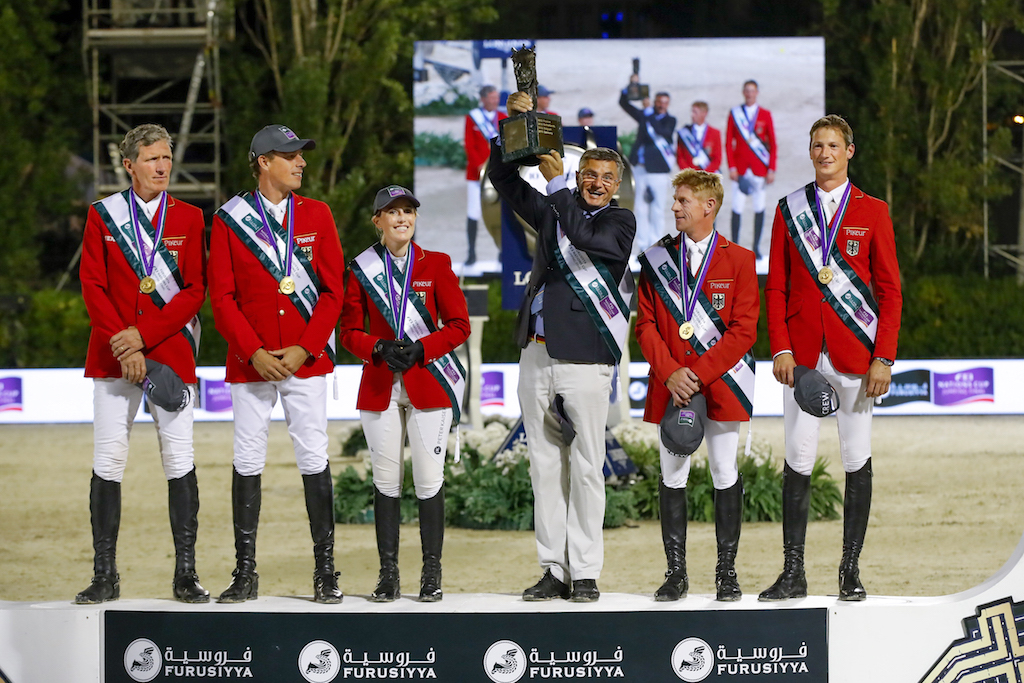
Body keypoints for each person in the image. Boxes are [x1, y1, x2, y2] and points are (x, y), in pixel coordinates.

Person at [488, 90, 636, 603]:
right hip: (536, 351)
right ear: (579, 178)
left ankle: (587, 571)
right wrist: (515, 130)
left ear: (615, 187)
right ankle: (553, 568)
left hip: (585, 359)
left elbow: (582, 232)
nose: (596, 183)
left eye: (605, 179)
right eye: (588, 176)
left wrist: (555, 187)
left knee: (589, 467)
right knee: (544, 467)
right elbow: (503, 181)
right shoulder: (555, 208)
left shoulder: (620, 224)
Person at [761, 114, 902, 602]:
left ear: (850, 151)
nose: (824, 153)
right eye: (817, 145)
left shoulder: (874, 211)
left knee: (855, 458)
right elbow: (775, 285)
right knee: (797, 460)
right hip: (800, 358)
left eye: (833, 145)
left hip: (857, 357)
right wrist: (779, 347)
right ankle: (793, 573)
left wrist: (883, 356)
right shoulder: (788, 209)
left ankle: (850, 571)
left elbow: (889, 291)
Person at [208, 124, 346, 604]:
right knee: (247, 460)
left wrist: (305, 347)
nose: (301, 163)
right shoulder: (229, 219)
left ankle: (325, 572)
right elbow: (221, 298)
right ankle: (244, 573)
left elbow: (334, 292)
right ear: (264, 162)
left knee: (314, 458)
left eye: (301, 154)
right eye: (291, 155)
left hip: (304, 360)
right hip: (253, 363)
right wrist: (255, 352)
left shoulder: (319, 214)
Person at [77, 124, 208, 604]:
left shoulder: (190, 217)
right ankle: (104, 575)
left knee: (179, 460)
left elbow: (195, 289)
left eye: (167, 158)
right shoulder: (102, 216)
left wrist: (145, 337)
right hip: (114, 357)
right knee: (108, 461)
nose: (162, 166)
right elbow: (92, 284)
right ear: (129, 165)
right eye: (152, 159)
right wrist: (126, 346)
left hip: (168, 354)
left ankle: (186, 575)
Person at [340, 185, 470, 603]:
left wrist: (423, 347)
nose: (402, 218)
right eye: (392, 212)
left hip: (427, 381)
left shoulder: (437, 264)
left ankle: (431, 573)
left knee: (429, 481)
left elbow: (459, 325)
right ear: (377, 220)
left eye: (408, 211)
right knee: (386, 482)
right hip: (381, 385)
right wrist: (376, 347)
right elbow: (348, 332)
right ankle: (388, 575)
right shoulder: (360, 268)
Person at [635, 169, 758, 602]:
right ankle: (676, 575)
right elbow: (645, 326)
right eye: (675, 200)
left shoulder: (740, 260)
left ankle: (727, 573)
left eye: (683, 200)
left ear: (709, 206)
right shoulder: (655, 260)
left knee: (725, 473)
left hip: (720, 383)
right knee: (673, 476)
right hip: (673, 385)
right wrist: (670, 372)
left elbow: (744, 332)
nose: (674, 207)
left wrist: (696, 375)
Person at [620, 78, 676, 255]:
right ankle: (643, 246)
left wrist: (649, 112)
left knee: (657, 208)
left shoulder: (670, 120)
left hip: (658, 170)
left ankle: (656, 244)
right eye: (658, 102)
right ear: (655, 102)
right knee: (640, 208)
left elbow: (663, 132)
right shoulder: (645, 116)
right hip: (640, 167)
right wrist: (631, 86)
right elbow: (624, 104)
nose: (661, 105)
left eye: (664, 103)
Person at [725, 80, 777, 259]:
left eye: (752, 91)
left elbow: (773, 144)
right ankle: (734, 246)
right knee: (737, 207)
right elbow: (728, 142)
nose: (749, 94)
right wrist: (731, 167)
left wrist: (771, 169)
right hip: (739, 169)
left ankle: (756, 247)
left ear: (757, 93)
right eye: (747, 91)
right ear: (743, 92)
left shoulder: (765, 114)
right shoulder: (735, 114)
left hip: (759, 169)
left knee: (759, 207)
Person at [463, 85, 507, 266]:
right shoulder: (472, 118)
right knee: (473, 212)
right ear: (483, 99)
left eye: (497, 97)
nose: (495, 100)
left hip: (498, 174)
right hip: (477, 175)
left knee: (500, 212)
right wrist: (481, 166)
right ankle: (471, 252)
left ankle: (502, 252)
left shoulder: (503, 118)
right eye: (492, 97)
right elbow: (469, 145)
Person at [677, 101, 722, 174]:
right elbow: (680, 156)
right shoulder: (684, 132)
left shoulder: (715, 133)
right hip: (690, 177)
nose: (692, 115)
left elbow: (717, 159)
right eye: (692, 112)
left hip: (708, 176)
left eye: (695, 112)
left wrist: (704, 174)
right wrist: (690, 174)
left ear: (704, 113)